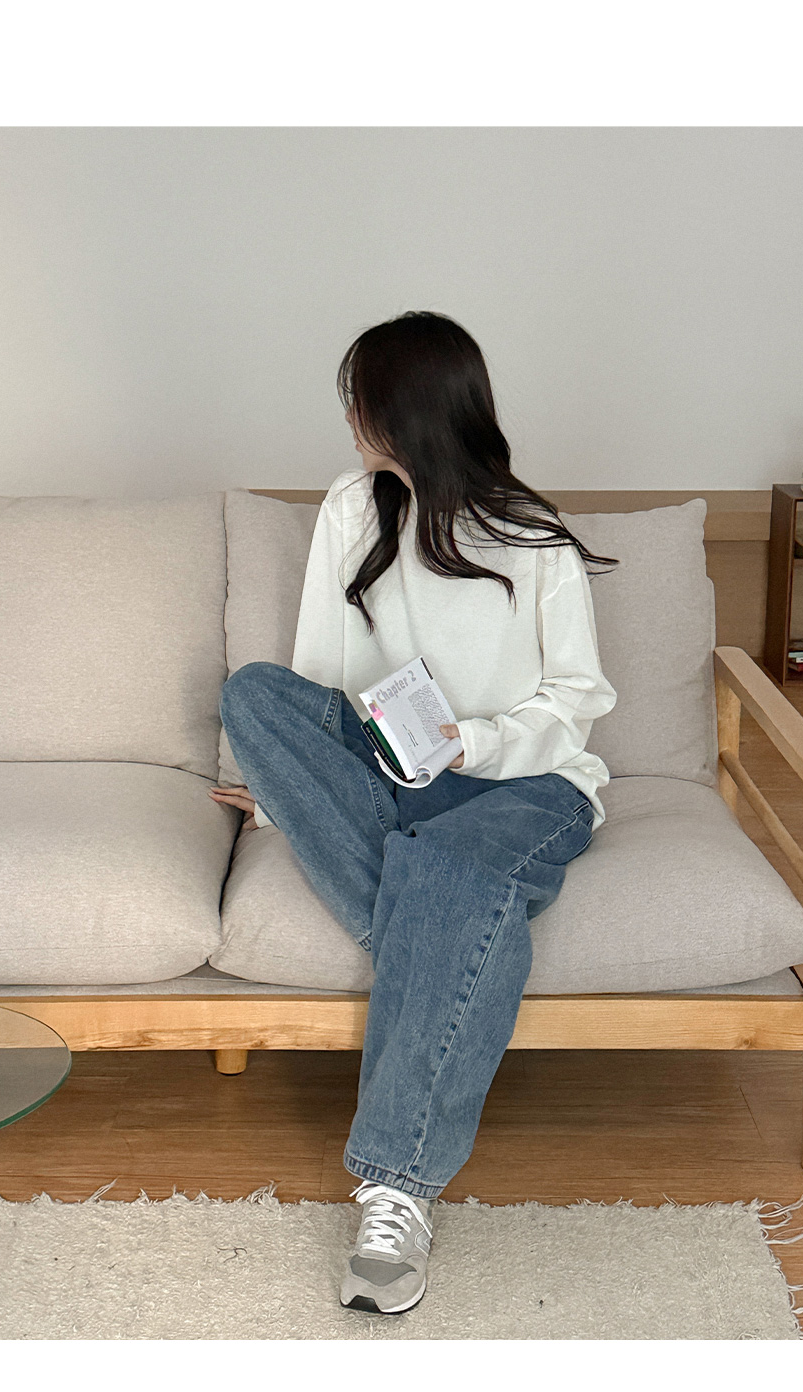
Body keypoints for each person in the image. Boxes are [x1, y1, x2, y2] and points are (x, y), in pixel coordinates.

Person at [209, 310, 619, 1315]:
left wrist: (470, 744)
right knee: (255, 694)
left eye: (362, 399)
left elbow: (576, 702)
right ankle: (440, 915)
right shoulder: (352, 507)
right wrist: (290, 790)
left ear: (409, 411)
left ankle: (396, 1185)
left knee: (444, 866)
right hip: (392, 770)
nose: (350, 418)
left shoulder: (533, 537)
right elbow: (319, 675)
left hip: (526, 785)